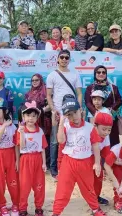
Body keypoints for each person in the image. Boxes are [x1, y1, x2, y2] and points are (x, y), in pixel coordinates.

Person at [52, 96, 106, 216]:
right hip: (69, 162)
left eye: (75, 112)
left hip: (85, 162)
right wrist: (61, 122)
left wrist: (97, 163)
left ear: (80, 110)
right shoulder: (65, 127)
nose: (74, 117)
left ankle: (95, 209)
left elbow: (96, 146)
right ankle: (56, 212)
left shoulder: (89, 127)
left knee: (88, 188)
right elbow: (61, 141)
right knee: (63, 189)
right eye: (69, 115)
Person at [46, 50, 83, 180]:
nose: (64, 59)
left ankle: (69, 169)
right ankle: (54, 169)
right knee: (55, 141)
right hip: (58, 113)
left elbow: (79, 94)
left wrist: (78, 110)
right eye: (61, 57)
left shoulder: (75, 74)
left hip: (72, 113)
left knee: (72, 140)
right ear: (57, 59)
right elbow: (48, 96)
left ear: (69, 59)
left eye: (67, 57)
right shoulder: (52, 75)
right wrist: (53, 110)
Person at [17, 101, 47, 216]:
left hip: (38, 159)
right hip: (26, 159)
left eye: (34, 116)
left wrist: (44, 163)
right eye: (28, 115)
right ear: (23, 117)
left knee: (39, 185)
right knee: (24, 185)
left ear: (37, 117)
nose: (31, 118)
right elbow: (22, 146)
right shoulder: (20, 130)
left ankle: (39, 207)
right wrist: (22, 132)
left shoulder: (40, 131)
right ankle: (23, 208)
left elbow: (43, 148)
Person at [85, 65, 122, 147]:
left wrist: (111, 109)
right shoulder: (90, 88)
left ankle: (111, 158)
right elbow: (88, 102)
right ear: (95, 74)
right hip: (95, 117)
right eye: (98, 72)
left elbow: (119, 100)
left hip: (110, 117)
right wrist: (97, 113)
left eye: (103, 72)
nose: (101, 74)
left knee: (112, 141)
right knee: (95, 140)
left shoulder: (113, 87)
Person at [24, 74, 52, 168]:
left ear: (40, 80)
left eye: (36, 80)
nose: (34, 82)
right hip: (32, 121)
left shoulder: (46, 91)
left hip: (45, 120)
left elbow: (51, 104)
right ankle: (36, 163)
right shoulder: (29, 93)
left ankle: (46, 163)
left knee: (45, 141)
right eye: (33, 80)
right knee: (34, 141)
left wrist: (41, 111)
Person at [90, 112, 113, 206]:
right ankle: (91, 200)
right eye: (104, 129)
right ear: (95, 126)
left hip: (97, 159)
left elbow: (107, 154)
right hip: (84, 159)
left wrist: (109, 168)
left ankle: (96, 196)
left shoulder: (106, 137)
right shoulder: (88, 133)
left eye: (109, 130)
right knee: (88, 180)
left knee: (99, 177)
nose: (106, 132)